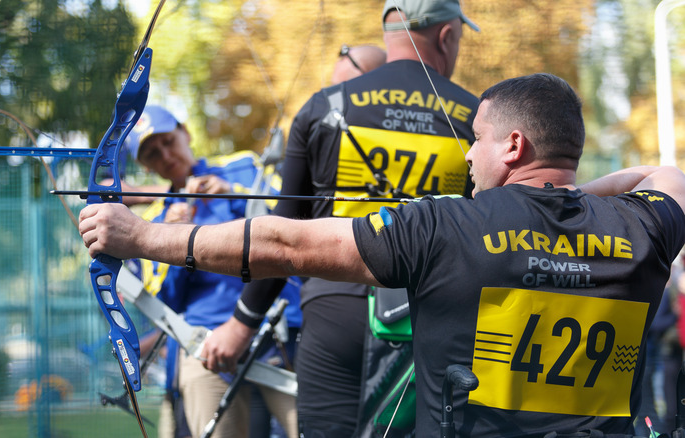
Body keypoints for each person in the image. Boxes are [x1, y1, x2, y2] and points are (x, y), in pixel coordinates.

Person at [79, 73, 685, 437]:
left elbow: (285, 242)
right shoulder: (645, 227)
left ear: (514, 144)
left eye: (476, 139)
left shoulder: (447, 224)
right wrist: (573, 198)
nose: (468, 158)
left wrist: (142, 239)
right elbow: (668, 173)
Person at [205, 0, 480, 435]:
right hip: (430, 318)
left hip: (334, 312)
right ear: (447, 35)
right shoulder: (477, 118)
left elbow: (283, 232)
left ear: (389, 30)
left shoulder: (325, 104)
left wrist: (242, 323)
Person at [120, 104, 302, 438]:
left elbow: (296, 222)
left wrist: (234, 195)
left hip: (277, 328)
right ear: (146, 166)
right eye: (152, 154)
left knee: (319, 426)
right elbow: (167, 302)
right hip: (205, 345)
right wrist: (171, 241)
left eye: (167, 141)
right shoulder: (153, 221)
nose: (165, 155)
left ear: (185, 133)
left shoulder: (244, 169)